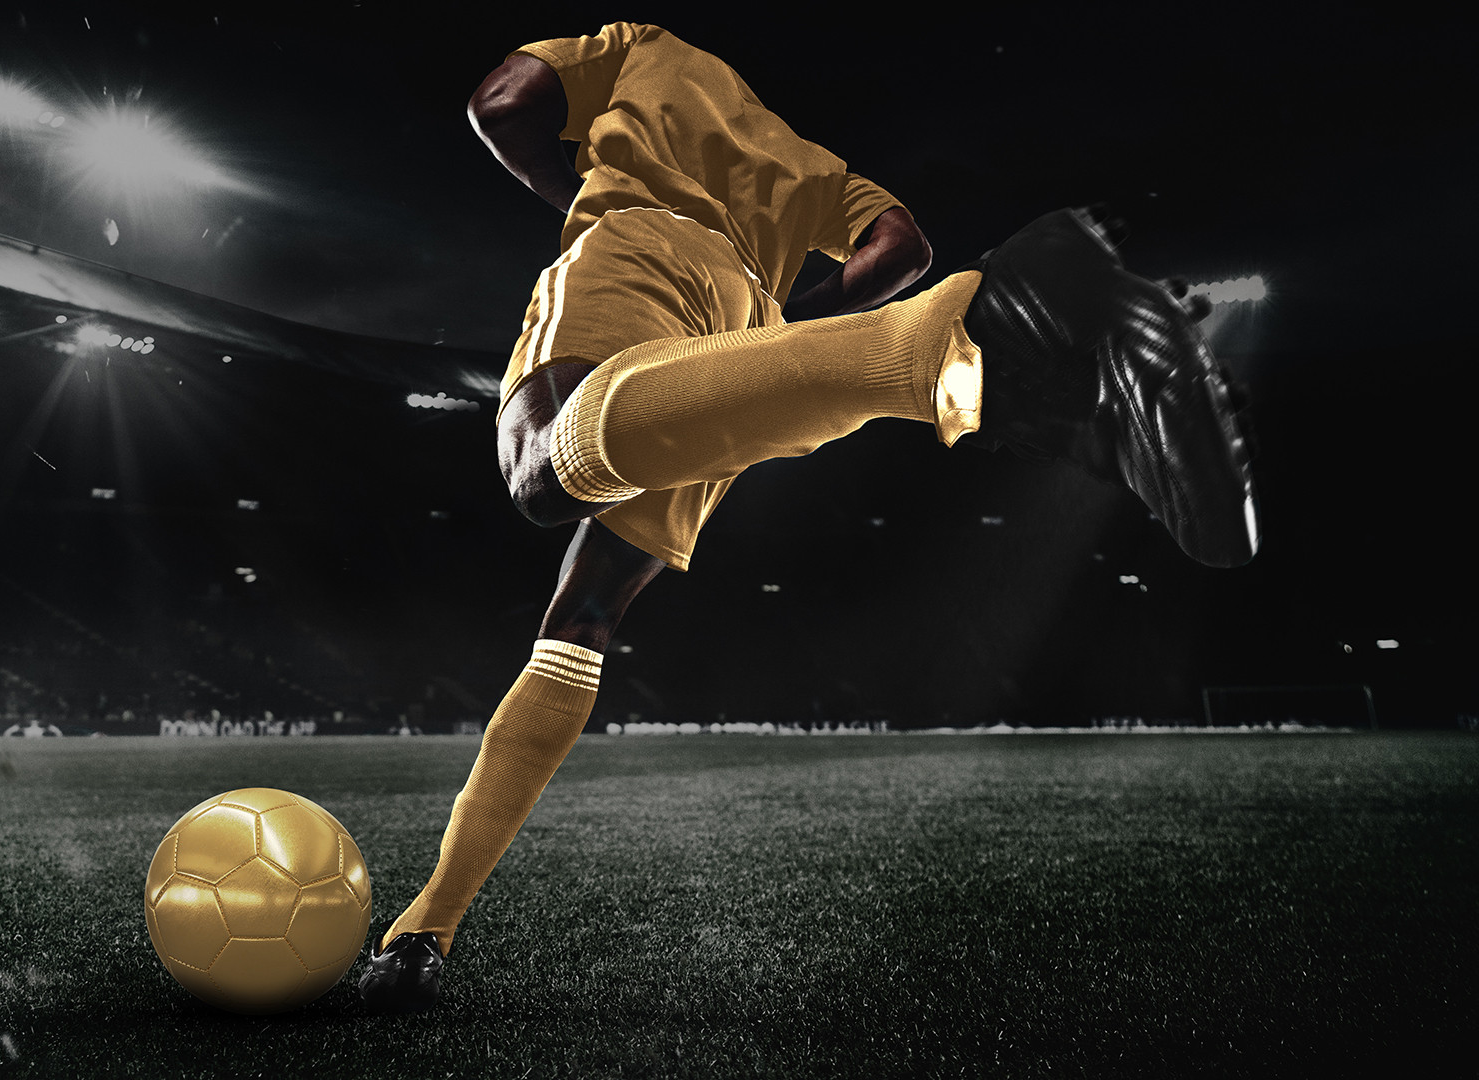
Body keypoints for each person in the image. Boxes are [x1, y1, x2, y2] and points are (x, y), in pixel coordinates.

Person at [359, 22, 1257, 1013]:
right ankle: (423, 932)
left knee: (542, 469)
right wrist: (787, 325)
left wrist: (573, 191)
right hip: (739, 328)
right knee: (581, 625)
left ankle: (938, 344)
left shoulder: (638, 44)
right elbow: (900, 243)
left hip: (636, 249)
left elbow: (502, 100)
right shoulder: (813, 164)